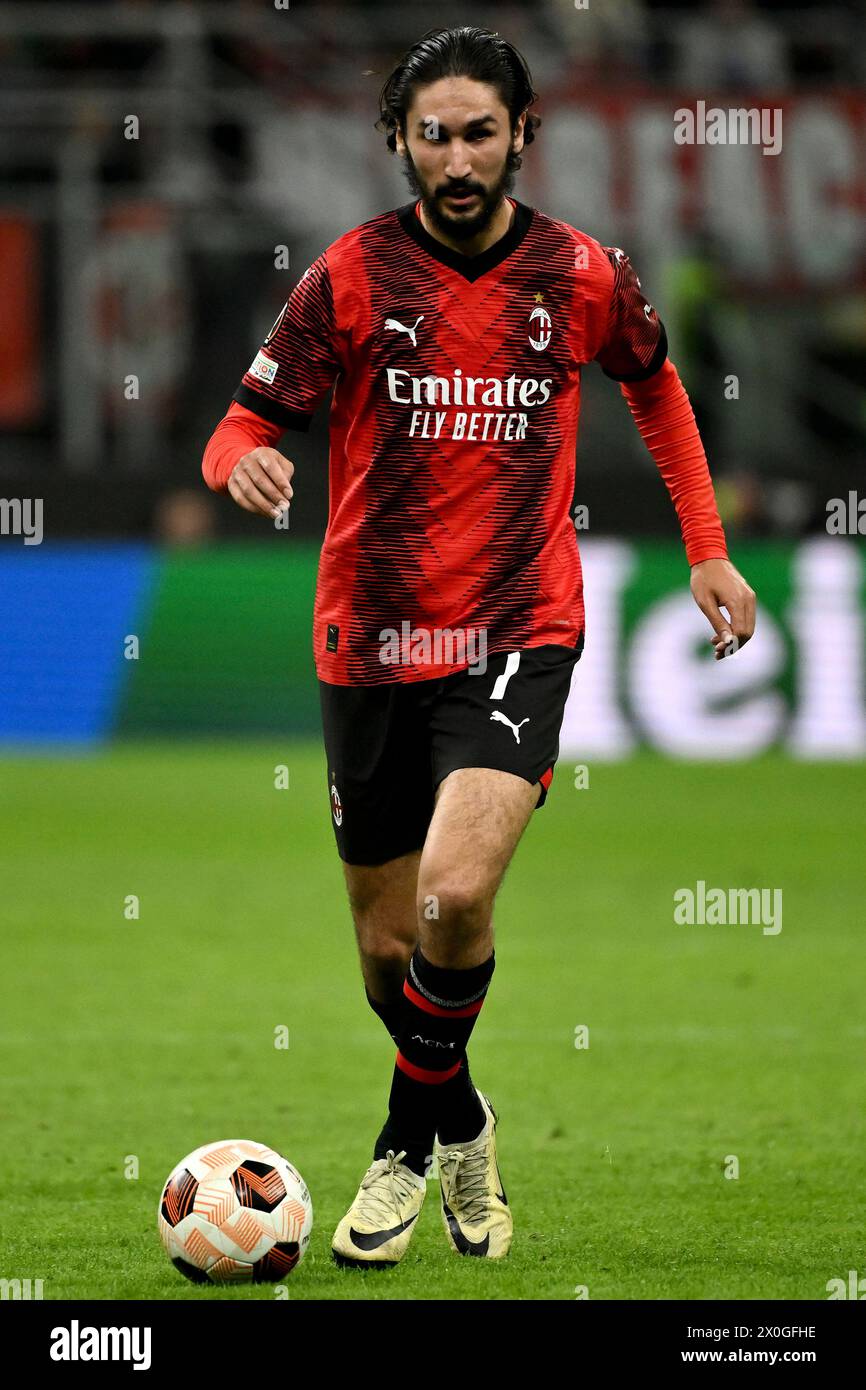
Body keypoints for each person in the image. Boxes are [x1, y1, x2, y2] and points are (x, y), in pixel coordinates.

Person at [202, 25, 756, 1268]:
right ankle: (459, 1117)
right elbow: (237, 423)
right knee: (390, 953)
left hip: (517, 629)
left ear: (522, 136)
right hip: (368, 638)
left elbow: (656, 384)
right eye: (434, 134)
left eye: (481, 132)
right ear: (398, 140)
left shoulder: (581, 273)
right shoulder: (348, 277)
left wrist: (705, 546)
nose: (458, 158)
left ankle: (401, 1149)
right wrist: (245, 460)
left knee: (457, 894)